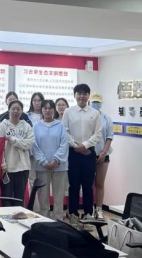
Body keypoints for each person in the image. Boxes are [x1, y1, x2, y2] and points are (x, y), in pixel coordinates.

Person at [63, 84, 102, 228]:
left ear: (88, 96)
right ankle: (73, 214)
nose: (82, 96)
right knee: (73, 185)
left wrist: (84, 146)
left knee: (87, 186)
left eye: (85, 93)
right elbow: (64, 131)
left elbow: (97, 133)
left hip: (88, 153)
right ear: (75, 95)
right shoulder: (68, 112)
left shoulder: (95, 113)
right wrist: (75, 146)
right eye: (79, 93)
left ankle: (88, 215)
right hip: (73, 153)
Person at [32, 100, 68, 220]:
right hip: (42, 166)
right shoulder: (36, 126)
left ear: (54, 110)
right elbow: (34, 145)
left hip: (59, 166)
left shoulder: (60, 125)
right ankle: (44, 218)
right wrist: (43, 161)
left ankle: (58, 219)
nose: (47, 111)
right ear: (41, 109)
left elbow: (64, 144)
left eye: (50, 108)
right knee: (43, 195)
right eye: (45, 108)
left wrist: (56, 159)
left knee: (59, 195)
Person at [0, 100, 34, 206]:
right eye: (13, 109)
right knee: (6, 197)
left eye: (18, 109)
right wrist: (3, 165)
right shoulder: (3, 126)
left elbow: (28, 143)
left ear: (22, 111)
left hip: (23, 167)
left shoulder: (26, 126)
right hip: (8, 167)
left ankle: (18, 216)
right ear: (9, 110)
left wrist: (13, 140)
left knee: (19, 198)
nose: (16, 111)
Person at [91, 93, 114, 221]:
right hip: (88, 154)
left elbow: (109, 137)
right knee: (88, 184)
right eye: (94, 102)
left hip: (103, 154)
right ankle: (89, 209)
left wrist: (104, 153)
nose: (96, 104)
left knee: (100, 184)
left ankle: (99, 210)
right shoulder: (86, 117)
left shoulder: (106, 118)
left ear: (102, 103)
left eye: (98, 102)